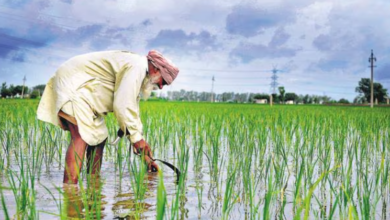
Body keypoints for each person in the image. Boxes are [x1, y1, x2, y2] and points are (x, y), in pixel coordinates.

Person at [37, 50, 179, 184]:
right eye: (164, 82)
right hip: (74, 86)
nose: (161, 87)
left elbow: (132, 112)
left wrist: (146, 156)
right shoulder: (136, 67)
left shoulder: (137, 72)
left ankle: (93, 183)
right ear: (155, 69)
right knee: (81, 136)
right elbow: (123, 105)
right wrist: (137, 140)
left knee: (100, 138)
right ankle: (70, 190)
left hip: (86, 95)